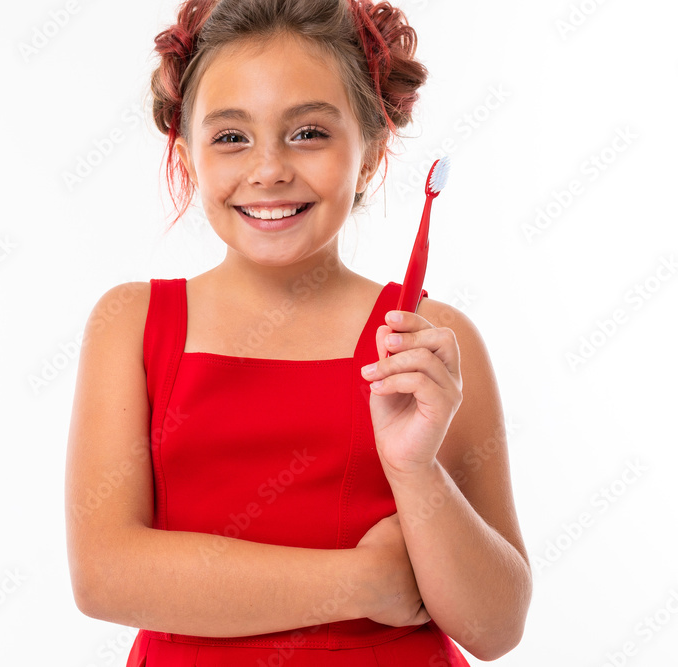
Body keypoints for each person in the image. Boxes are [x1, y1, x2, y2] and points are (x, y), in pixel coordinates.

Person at [65, 0, 532, 664]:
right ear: (189, 156)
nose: (269, 169)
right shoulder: (131, 327)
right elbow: (106, 574)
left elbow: (496, 625)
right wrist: (362, 581)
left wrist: (416, 468)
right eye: (231, 137)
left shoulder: (430, 341)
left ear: (370, 153)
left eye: (309, 132)